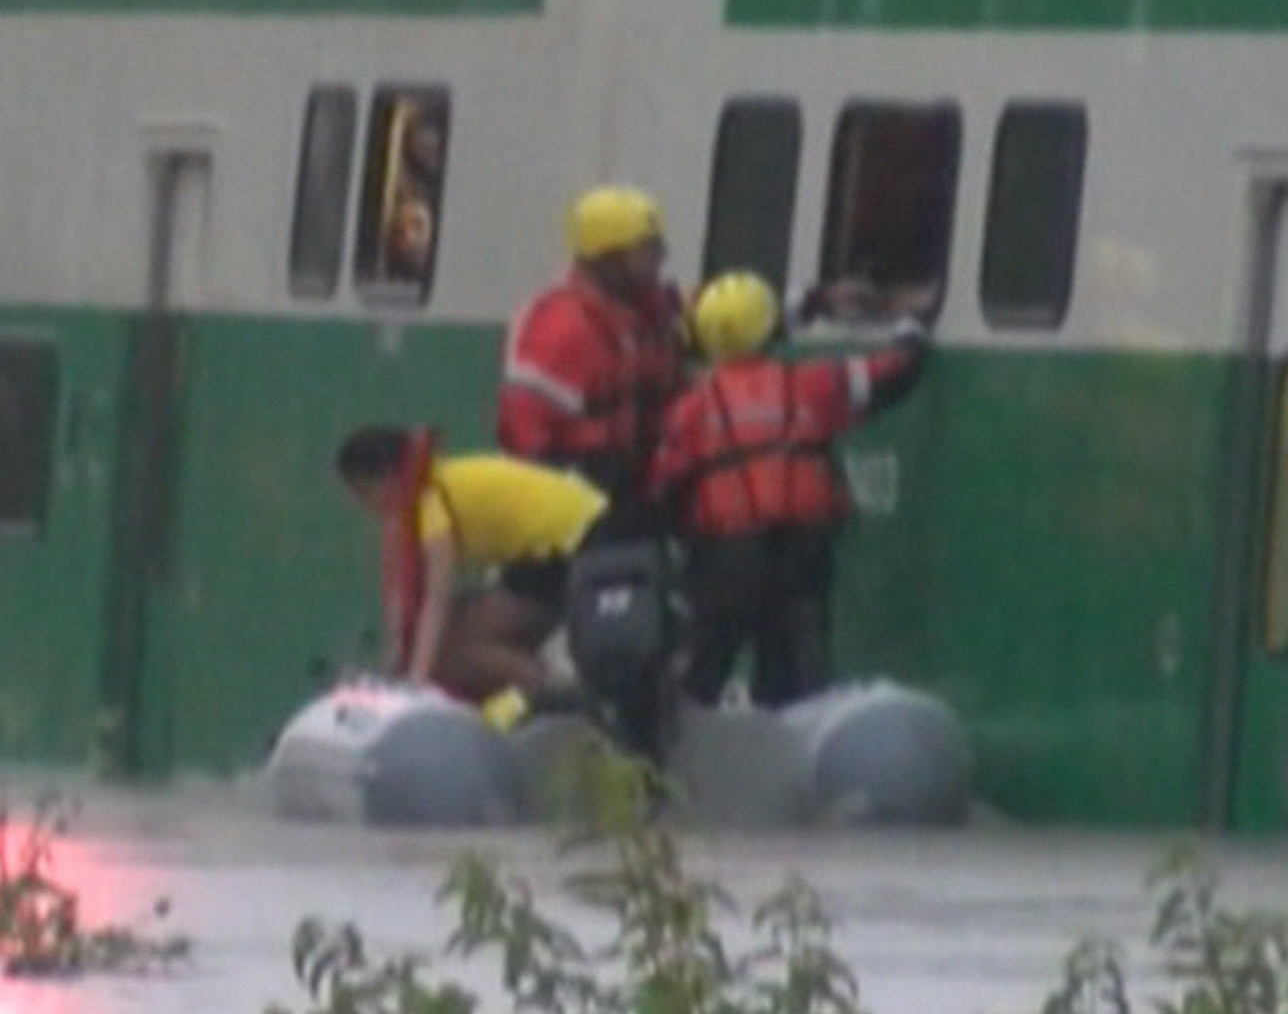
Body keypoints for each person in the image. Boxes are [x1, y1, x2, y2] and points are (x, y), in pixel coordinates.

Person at [649, 271, 929, 709]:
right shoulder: (809, 385)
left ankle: (670, 759)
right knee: (800, 674)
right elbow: (896, 371)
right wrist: (909, 326)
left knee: (702, 672)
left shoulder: (691, 406)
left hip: (725, 557)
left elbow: (664, 484)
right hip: (802, 552)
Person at [335, 426, 678, 759]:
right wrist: (397, 661)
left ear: (389, 479)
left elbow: (435, 600)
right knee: (457, 628)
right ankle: (536, 688)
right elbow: (409, 604)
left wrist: (415, 685)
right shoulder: (428, 491)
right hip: (551, 549)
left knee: (452, 649)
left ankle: (549, 694)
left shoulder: (430, 503)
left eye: (364, 493)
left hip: (579, 545)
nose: (363, 505)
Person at [497, 186, 688, 537]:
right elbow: (524, 427)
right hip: (577, 491)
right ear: (607, 258)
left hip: (637, 491)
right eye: (646, 250)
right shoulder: (556, 326)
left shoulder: (650, 310)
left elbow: (717, 312)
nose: (659, 258)